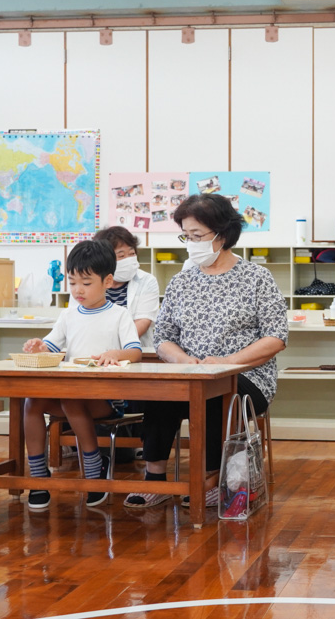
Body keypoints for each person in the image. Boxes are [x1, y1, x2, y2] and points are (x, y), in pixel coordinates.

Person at [124, 194, 288, 508]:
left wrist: (226, 363)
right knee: (162, 392)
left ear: (222, 235)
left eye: (197, 236)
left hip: (245, 375)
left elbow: (275, 338)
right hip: (190, 371)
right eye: (187, 236)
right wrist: (184, 361)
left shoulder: (256, 278)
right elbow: (164, 338)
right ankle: (154, 479)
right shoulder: (181, 282)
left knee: (216, 391)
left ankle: (215, 479)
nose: (191, 243)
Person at [21, 240, 143, 510]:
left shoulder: (119, 315)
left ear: (108, 281)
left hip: (107, 401)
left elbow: (135, 352)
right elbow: (51, 346)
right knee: (32, 400)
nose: (78, 290)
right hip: (71, 395)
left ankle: (93, 469)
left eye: (86, 283)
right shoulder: (69, 314)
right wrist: (39, 346)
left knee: (71, 399)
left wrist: (115, 353)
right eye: (73, 282)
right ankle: (39, 476)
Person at [69, 225, 160, 350]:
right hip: (89, 350)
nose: (129, 260)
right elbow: (76, 319)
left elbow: (143, 321)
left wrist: (110, 346)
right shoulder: (85, 282)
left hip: (132, 350)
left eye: (132, 253)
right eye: (121, 256)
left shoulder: (147, 281)